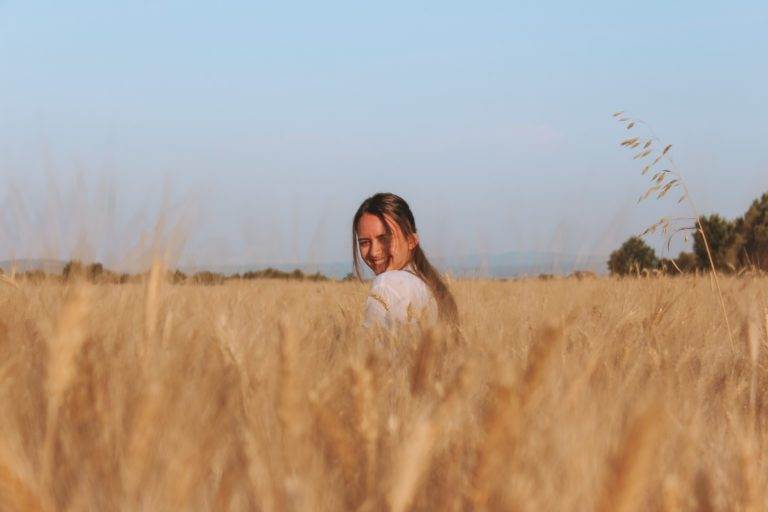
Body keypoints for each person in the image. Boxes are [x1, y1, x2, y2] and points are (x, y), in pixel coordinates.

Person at [352, 192, 458, 329]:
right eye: (365, 242)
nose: (374, 252)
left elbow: (368, 348)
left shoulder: (386, 284)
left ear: (411, 240)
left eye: (384, 239)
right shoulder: (426, 282)